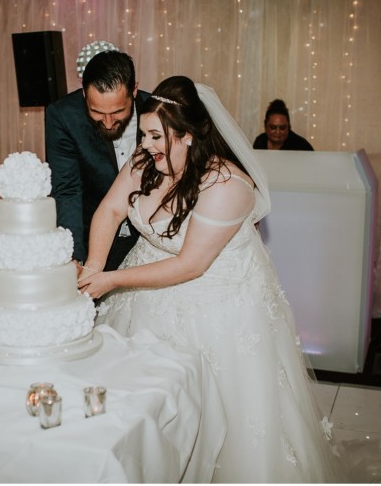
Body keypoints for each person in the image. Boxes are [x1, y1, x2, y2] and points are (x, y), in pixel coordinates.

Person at [78, 76, 345, 482]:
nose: (145, 145)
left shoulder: (227, 185)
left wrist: (111, 280)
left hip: (217, 305)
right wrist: (95, 268)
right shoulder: (145, 163)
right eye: (144, 134)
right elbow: (111, 210)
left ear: (186, 136)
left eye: (155, 135)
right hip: (145, 288)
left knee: (216, 412)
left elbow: (190, 265)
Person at [45, 50, 150, 272]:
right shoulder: (63, 116)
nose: (109, 123)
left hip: (149, 240)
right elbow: (67, 190)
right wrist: (73, 256)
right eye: (97, 112)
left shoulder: (159, 110)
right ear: (84, 93)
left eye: (119, 111)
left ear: (134, 90)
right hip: (93, 238)